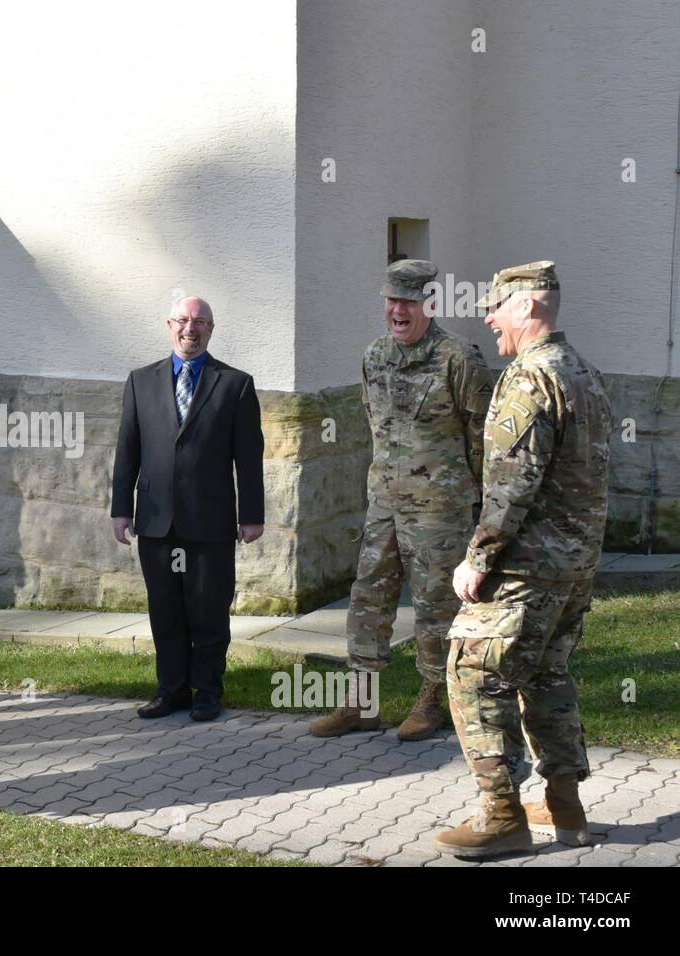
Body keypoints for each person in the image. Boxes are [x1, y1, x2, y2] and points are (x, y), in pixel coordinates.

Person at [436, 261, 611, 858]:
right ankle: (565, 806)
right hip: (575, 566)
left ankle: (501, 814)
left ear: (529, 307)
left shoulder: (528, 379)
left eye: (497, 306)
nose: (487, 316)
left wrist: (478, 558)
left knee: (471, 671)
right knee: (546, 675)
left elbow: (512, 484)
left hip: (527, 568)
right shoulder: (585, 372)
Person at [310, 260, 494, 740]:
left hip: (440, 510)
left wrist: (483, 509)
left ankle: (433, 701)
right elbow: (375, 422)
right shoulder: (374, 356)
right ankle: (361, 703)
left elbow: (483, 439)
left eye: (408, 301)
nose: (398, 310)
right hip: (384, 505)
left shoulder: (459, 359)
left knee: (435, 606)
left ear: (428, 305)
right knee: (368, 598)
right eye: (391, 300)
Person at [110, 296, 265, 722]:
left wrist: (251, 514)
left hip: (210, 521)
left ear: (211, 330)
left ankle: (207, 692)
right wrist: (121, 508)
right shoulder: (140, 381)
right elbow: (128, 450)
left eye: (199, 322)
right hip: (157, 521)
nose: (190, 329)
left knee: (209, 609)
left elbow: (248, 458)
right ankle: (171, 690)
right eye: (182, 320)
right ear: (169, 325)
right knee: (165, 610)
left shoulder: (235, 384)